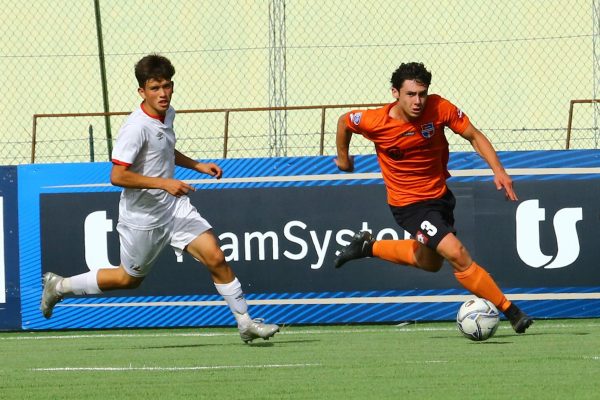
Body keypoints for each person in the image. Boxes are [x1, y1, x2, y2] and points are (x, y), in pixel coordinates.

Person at [40, 54, 279, 343]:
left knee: (215, 256)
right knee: (128, 279)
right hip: (143, 217)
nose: (163, 93)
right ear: (142, 91)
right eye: (155, 88)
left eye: (167, 86)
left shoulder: (168, 113)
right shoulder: (135, 128)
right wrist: (163, 183)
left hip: (174, 208)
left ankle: (245, 323)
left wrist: (197, 165)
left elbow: (164, 149)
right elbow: (117, 176)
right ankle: (60, 286)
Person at [333, 62, 533, 334]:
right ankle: (513, 312)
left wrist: (499, 171)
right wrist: (344, 160)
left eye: (422, 94)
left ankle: (368, 247)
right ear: (395, 93)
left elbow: (473, 135)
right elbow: (344, 121)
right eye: (411, 94)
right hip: (408, 205)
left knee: (429, 262)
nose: (418, 101)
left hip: (440, 197)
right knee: (456, 253)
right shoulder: (375, 121)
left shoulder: (439, 109)